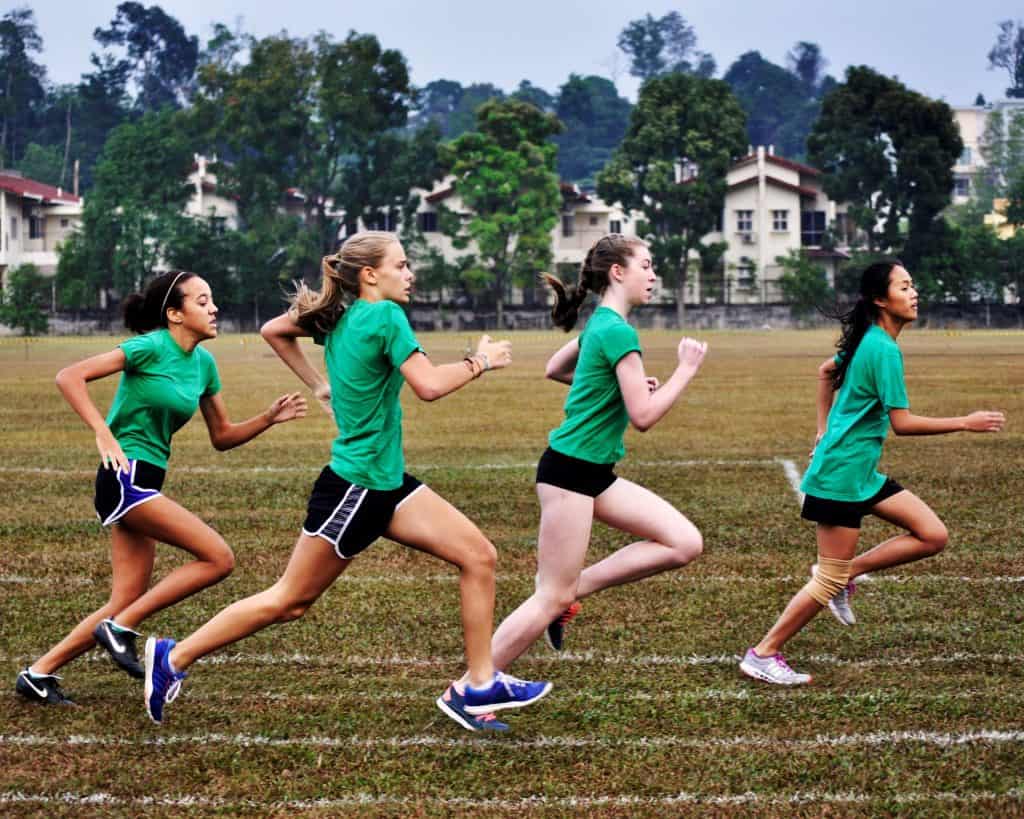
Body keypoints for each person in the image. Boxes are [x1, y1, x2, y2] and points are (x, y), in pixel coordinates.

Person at [142, 231, 551, 730]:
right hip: (356, 488)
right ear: (370, 274)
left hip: (386, 482)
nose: (411, 274)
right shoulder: (383, 316)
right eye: (401, 265)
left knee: (479, 555)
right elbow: (428, 386)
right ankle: (173, 657)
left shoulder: (342, 316)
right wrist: (481, 361)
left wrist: (319, 384)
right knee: (289, 600)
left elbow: (275, 329)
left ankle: (478, 686)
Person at [16, 271, 307, 705]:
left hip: (148, 480)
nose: (214, 308)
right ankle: (121, 628)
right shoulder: (149, 347)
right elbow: (69, 376)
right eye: (202, 301)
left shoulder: (204, 365)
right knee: (218, 557)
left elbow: (222, 436)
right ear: (174, 314)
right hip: (124, 476)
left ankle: (38, 675)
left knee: (125, 599)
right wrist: (103, 432)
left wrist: (267, 418)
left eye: (212, 300)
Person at [740, 260, 1006, 685]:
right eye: (904, 286)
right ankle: (763, 653)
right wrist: (964, 422)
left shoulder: (870, 339)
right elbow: (902, 423)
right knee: (827, 578)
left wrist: (823, 428)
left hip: (859, 472)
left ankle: (850, 573)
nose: (914, 292)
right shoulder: (883, 349)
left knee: (932, 535)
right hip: (841, 477)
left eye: (913, 284)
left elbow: (826, 372)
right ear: (881, 300)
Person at [467, 233, 706, 687]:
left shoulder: (602, 323)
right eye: (647, 266)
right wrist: (685, 371)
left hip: (593, 473)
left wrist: (619, 384)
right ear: (618, 272)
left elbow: (554, 368)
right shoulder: (617, 331)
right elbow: (644, 417)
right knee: (547, 598)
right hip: (569, 475)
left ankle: (572, 594)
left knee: (683, 542)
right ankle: (471, 687)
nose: (654, 276)